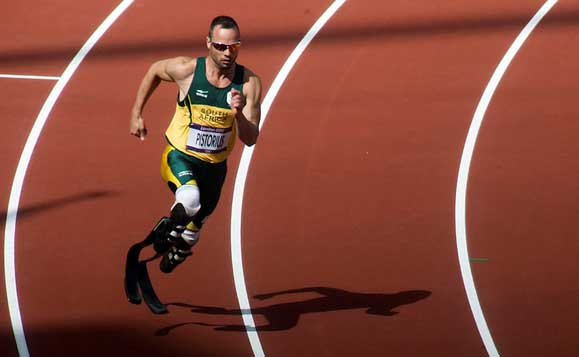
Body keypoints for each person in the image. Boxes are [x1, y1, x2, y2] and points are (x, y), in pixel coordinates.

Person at [129, 15, 261, 273]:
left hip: (215, 168)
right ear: (209, 43)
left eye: (233, 47)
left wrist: (239, 115)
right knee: (189, 199)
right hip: (181, 156)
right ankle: (167, 229)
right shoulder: (187, 70)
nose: (227, 53)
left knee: (192, 232)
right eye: (221, 46)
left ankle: (181, 245)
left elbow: (251, 138)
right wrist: (136, 112)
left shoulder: (249, 84)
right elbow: (155, 70)